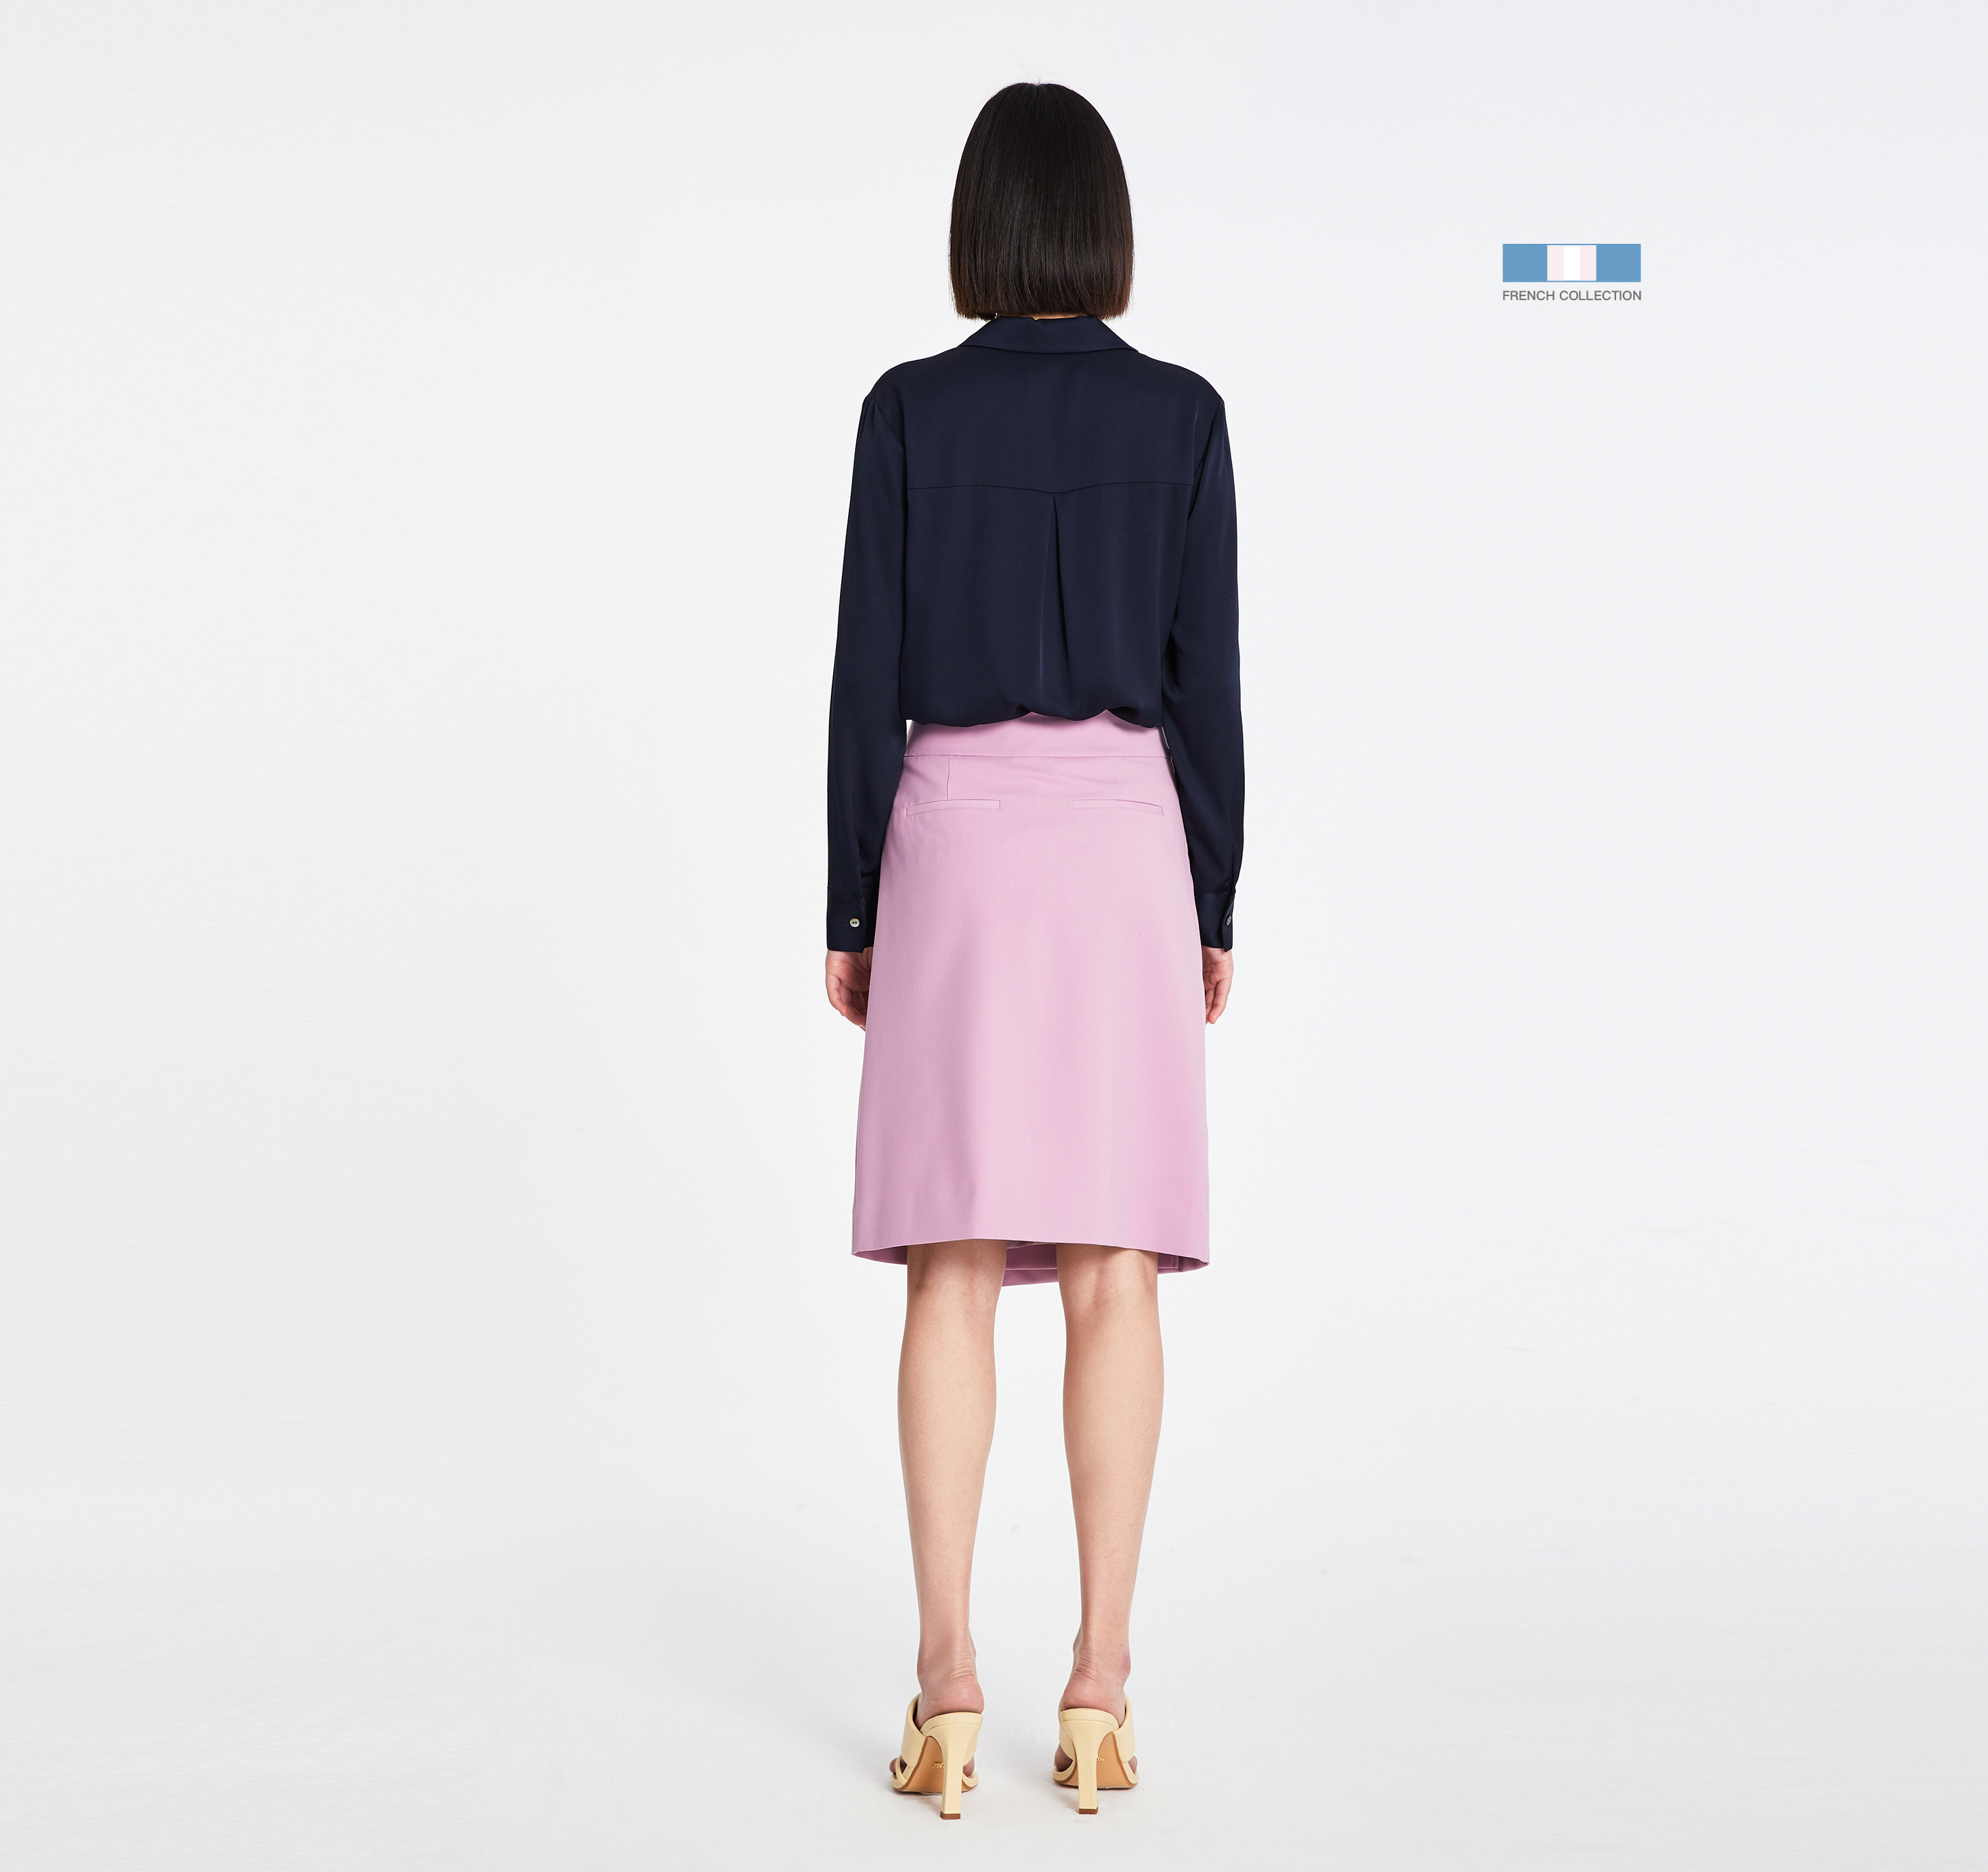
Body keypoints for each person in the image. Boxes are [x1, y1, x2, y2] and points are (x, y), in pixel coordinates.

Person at [823, 81, 1242, 1821]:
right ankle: (1101, 1685)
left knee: (949, 1259)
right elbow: (1206, 680)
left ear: (979, 226)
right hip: (1122, 839)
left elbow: (865, 671)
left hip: (957, 838)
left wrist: (853, 904)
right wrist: (1211, 898)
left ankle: (944, 1684)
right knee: (1112, 1262)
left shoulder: (906, 411)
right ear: (1106, 229)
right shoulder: (1184, 415)